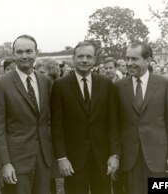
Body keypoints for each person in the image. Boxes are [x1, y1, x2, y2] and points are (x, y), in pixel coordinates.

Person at [51, 41, 120, 194]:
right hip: (74, 159)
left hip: (102, 158)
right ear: (73, 59)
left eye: (89, 56)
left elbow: (113, 122)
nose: (84, 60)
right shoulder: (60, 85)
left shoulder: (106, 84)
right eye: (80, 56)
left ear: (94, 60)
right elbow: (57, 125)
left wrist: (114, 154)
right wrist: (61, 158)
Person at [0, 35, 53, 194]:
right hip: (16, 162)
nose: (24, 56)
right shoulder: (0, 83)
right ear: (13, 54)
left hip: (44, 160)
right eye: (19, 52)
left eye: (28, 51)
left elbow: (48, 120)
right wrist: (4, 163)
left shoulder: (45, 81)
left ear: (36, 53)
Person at [114, 42, 168, 194]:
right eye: (127, 59)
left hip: (158, 159)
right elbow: (114, 125)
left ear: (147, 60)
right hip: (130, 159)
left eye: (134, 59)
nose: (129, 63)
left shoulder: (165, 84)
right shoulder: (118, 87)